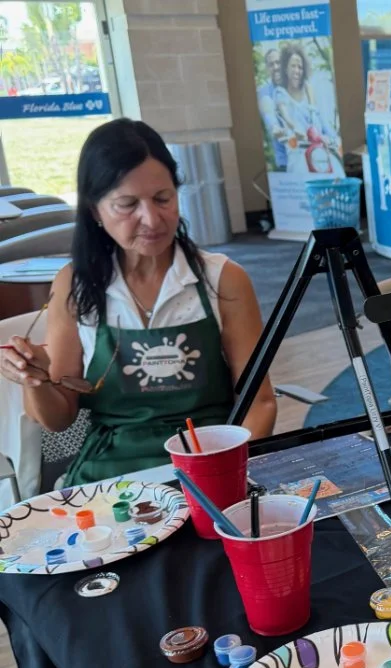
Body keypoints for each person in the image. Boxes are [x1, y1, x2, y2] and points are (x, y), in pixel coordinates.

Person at [0, 118, 276, 486]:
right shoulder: (76, 284)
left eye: (163, 198)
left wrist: (230, 472)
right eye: (127, 205)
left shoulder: (223, 279)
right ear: (95, 211)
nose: (151, 219)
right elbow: (58, 418)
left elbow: (261, 402)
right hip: (112, 473)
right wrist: (33, 379)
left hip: (208, 459)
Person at [274, 44, 343, 176]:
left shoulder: (309, 92)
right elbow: (287, 118)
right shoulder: (280, 93)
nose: (297, 71)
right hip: (298, 154)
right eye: (293, 66)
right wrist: (296, 129)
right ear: (285, 69)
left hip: (318, 153)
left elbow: (321, 125)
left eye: (300, 67)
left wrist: (334, 139)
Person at [257, 47, 289, 171]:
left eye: (278, 62)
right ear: (267, 69)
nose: (275, 67)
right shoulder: (264, 92)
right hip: (285, 163)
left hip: (308, 155)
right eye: (271, 64)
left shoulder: (295, 85)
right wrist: (274, 126)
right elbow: (267, 111)